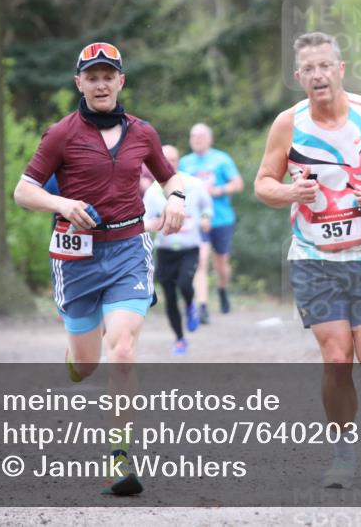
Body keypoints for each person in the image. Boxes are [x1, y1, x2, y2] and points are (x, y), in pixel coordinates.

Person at [13, 42, 187, 496]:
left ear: (121, 81)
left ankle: (119, 456)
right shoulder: (61, 134)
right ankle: (76, 356)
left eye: (109, 75)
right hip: (76, 258)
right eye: (92, 76)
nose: (101, 83)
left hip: (128, 247)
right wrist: (62, 202)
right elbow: (23, 191)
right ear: (80, 84)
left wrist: (177, 199)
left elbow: (170, 176)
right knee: (87, 365)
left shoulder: (142, 132)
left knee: (123, 349)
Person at [253, 31, 361, 490]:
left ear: (340, 69)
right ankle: (343, 454)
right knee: (336, 357)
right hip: (314, 259)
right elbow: (263, 182)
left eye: (326, 65)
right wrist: (290, 191)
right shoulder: (288, 124)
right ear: (299, 76)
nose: (319, 74)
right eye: (309, 68)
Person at [143, 145, 212, 355]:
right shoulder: (152, 191)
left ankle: (191, 305)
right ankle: (180, 339)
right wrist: (153, 224)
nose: (169, 163)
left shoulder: (194, 184)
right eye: (165, 159)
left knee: (185, 284)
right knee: (170, 296)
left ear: (179, 161)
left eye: (173, 160)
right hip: (164, 251)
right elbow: (143, 222)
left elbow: (207, 206)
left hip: (189, 248)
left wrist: (206, 219)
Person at [178, 122, 243, 323]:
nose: (197, 139)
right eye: (194, 136)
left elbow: (238, 184)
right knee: (201, 260)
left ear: (209, 139)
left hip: (221, 218)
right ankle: (202, 306)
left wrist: (220, 190)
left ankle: (223, 289)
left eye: (201, 136)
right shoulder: (185, 163)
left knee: (221, 263)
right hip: (198, 221)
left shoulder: (221, 159)